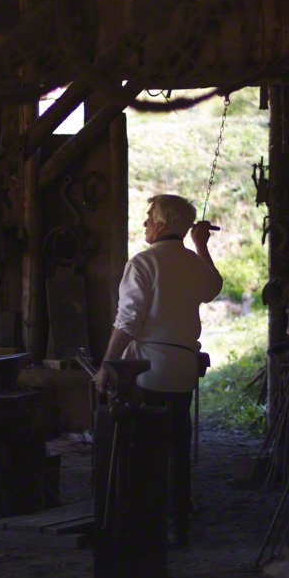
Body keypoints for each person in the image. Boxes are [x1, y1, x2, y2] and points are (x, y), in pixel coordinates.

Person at [94, 193, 222, 546]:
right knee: (177, 448)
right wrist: (201, 245)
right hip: (182, 369)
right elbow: (213, 287)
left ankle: (145, 521)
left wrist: (108, 365)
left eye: (149, 217)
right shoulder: (193, 263)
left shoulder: (143, 263)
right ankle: (179, 522)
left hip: (149, 370)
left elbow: (128, 320)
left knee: (144, 448)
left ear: (162, 225)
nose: (145, 222)